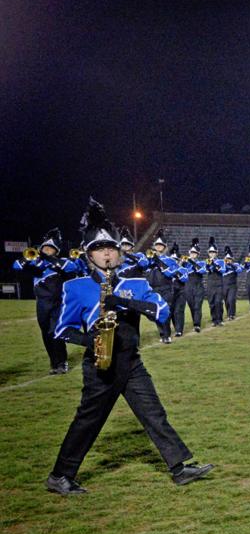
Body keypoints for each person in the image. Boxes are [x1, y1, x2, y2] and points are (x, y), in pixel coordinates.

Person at [46, 198, 212, 495]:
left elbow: (161, 312)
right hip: (100, 366)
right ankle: (59, 475)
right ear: (89, 256)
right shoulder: (77, 287)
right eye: (99, 250)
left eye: (111, 248)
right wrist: (91, 340)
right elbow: (61, 329)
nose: (107, 253)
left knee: (153, 413)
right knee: (88, 422)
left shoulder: (136, 282)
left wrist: (122, 302)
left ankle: (179, 468)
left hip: (131, 361)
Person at [12, 230, 74, 373]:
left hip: (58, 303)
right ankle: (54, 363)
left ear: (56, 251)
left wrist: (48, 259)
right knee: (46, 334)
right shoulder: (36, 266)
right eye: (45, 248)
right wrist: (28, 259)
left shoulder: (60, 263)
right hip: (42, 304)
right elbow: (16, 266)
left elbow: (71, 267)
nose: (47, 250)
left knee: (55, 332)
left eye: (50, 249)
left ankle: (62, 363)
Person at [144, 234, 177, 344]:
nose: (158, 247)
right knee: (156, 313)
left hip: (166, 288)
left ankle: (167, 335)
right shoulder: (149, 260)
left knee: (165, 312)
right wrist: (150, 261)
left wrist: (158, 261)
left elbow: (171, 273)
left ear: (165, 247)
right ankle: (162, 333)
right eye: (157, 245)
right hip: (154, 289)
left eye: (160, 245)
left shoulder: (170, 260)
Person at [183, 239, 207, 333]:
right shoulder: (185, 263)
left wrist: (191, 262)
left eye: (194, 253)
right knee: (192, 306)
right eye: (191, 253)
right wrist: (182, 263)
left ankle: (197, 324)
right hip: (188, 286)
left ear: (197, 254)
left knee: (197, 306)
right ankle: (195, 322)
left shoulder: (201, 262)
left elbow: (202, 271)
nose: (193, 254)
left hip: (198, 286)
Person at [204, 239, 225, 326]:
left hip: (219, 284)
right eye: (210, 252)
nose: (212, 254)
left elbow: (223, 270)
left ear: (216, 253)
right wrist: (210, 264)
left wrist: (215, 264)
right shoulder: (207, 261)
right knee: (211, 303)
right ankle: (214, 319)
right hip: (210, 284)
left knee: (218, 302)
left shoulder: (221, 261)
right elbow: (206, 270)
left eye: (213, 252)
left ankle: (219, 319)